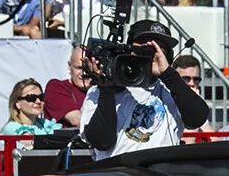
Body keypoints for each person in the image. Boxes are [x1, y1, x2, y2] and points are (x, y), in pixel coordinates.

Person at [81, 19, 211, 159]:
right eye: (144, 47)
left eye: (160, 49)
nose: (152, 53)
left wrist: (168, 74)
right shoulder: (100, 90)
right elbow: (102, 142)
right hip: (116, 175)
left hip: (159, 175)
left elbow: (197, 118)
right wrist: (106, 90)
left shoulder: (172, 90)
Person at [45, 44, 91, 127]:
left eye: (88, 69)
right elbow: (77, 120)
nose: (83, 73)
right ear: (70, 66)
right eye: (79, 68)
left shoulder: (101, 90)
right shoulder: (56, 87)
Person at [170, 55, 213, 133]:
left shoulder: (196, 100)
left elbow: (210, 134)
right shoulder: (165, 96)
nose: (192, 83)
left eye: (196, 79)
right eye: (186, 79)